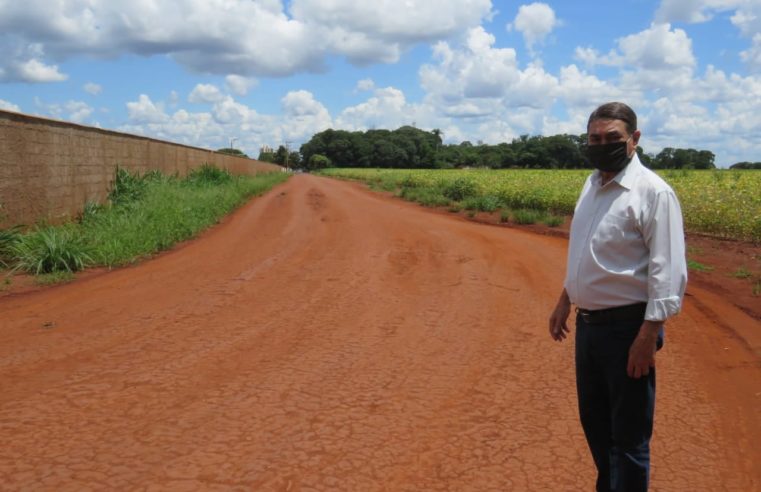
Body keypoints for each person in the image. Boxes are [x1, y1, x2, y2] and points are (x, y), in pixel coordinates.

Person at [548, 102, 688, 492]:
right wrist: (566, 298)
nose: (601, 145)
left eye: (612, 138)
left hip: (628, 329)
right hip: (589, 328)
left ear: (634, 139)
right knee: (595, 425)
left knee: (627, 439)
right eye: (594, 138)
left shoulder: (653, 193)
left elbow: (668, 271)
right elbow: (585, 249)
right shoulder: (592, 185)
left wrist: (648, 336)